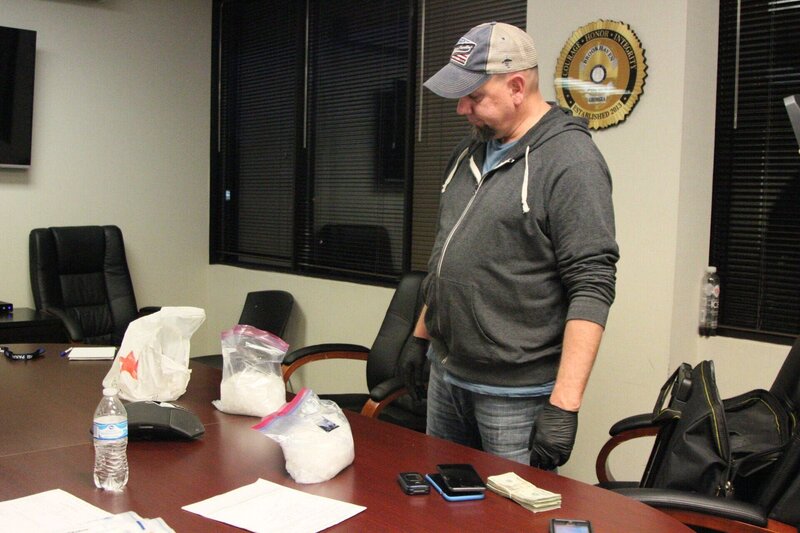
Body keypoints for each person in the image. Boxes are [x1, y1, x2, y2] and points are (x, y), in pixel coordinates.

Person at [398, 21, 619, 469]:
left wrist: (564, 406)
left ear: (517, 86)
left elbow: (592, 285)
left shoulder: (570, 161)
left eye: (474, 96)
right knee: (441, 509)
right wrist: (420, 339)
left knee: (512, 518)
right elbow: (448, 256)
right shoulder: (467, 153)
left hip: (514, 398)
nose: (462, 109)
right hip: (447, 375)